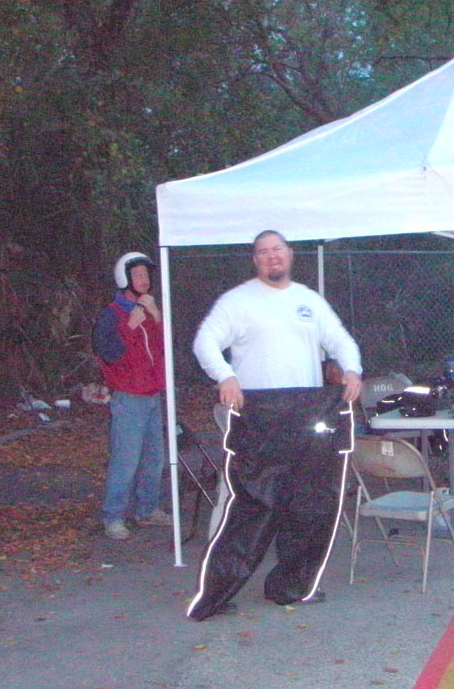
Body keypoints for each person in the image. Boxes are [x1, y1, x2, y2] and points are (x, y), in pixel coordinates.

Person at [186, 229, 362, 621]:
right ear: (256, 260)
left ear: (289, 254)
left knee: (307, 505)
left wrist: (352, 369)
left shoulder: (308, 300)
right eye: (263, 252)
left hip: (307, 418)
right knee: (249, 505)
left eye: (277, 250)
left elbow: (341, 340)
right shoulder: (238, 301)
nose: (272, 257)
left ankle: (290, 586)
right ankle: (216, 591)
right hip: (258, 419)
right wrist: (225, 376)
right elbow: (205, 342)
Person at [91, 252, 170, 541]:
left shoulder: (148, 309)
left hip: (153, 394)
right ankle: (113, 516)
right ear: (124, 279)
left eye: (146, 275)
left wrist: (157, 318)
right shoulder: (112, 314)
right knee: (125, 460)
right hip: (129, 397)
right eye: (137, 275)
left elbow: (164, 350)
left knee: (154, 459)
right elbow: (109, 353)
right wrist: (129, 326)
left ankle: (147, 509)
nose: (143, 280)